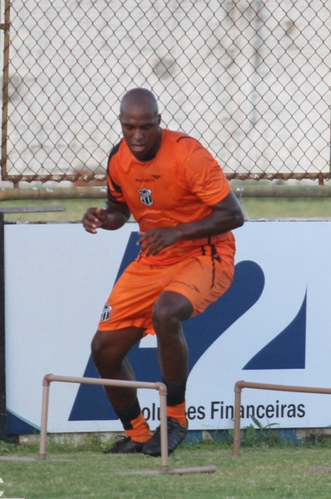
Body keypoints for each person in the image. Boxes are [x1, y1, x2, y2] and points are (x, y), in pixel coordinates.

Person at [82, 88, 244, 456]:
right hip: (154, 257)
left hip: (205, 253)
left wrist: (177, 232)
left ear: (159, 121)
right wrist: (101, 218)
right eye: (129, 127)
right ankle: (138, 434)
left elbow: (234, 215)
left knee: (167, 312)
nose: (137, 137)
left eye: (145, 127)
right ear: (121, 124)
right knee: (104, 349)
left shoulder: (189, 155)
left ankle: (175, 418)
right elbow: (119, 210)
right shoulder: (118, 158)